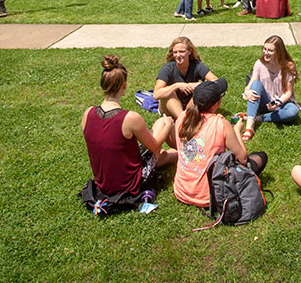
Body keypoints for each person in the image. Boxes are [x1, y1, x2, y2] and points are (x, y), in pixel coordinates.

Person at [81, 55, 176, 201]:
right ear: (124, 86)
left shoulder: (88, 114)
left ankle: (176, 155)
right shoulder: (130, 118)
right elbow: (155, 146)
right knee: (160, 126)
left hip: (104, 184)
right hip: (129, 185)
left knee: (161, 146)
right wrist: (168, 124)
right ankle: (182, 155)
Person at [173, 77, 268, 208]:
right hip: (211, 196)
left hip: (182, 191)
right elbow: (243, 158)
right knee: (260, 157)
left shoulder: (182, 117)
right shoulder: (220, 123)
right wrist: (236, 131)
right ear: (216, 104)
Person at [240, 35, 299, 141]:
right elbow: (252, 82)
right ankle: (249, 127)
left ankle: (258, 118)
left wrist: (278, 102)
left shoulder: (288, 66)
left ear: (278, 52)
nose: (265, 52)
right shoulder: (259, 63)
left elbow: (288, 92)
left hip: (282, 102)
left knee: (293, 111)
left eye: (270, 50)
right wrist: (246, 92)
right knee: (256, 84)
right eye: (264, 49)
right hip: (265, 102)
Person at [154, 36, 220, 118]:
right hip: (170, 107)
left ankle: (185, 118)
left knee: (204, 90)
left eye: (182, 52)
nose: (178, 55)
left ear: (189, 51)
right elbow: (156, 94)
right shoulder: (168, 68)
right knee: (169, 93)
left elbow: (217, 82)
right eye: (175, 52)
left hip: (189, 104)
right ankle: (183, 120)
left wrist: (197, 85)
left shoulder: (197, 65)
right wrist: (177, 85)